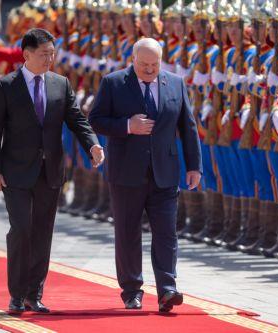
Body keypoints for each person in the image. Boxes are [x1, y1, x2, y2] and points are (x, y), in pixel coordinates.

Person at [0, 28, 104, 314]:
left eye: (52, 54)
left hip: (50, 171)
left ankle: (33, 293)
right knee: (21, 229)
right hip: (15, 172)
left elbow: (76, 119)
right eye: (43, 54)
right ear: (26, 54)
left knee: (42, 233)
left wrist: (93, 145)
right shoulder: (5, 86)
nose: (49, 59)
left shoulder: (60, 84)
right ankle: (16, 293)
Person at [89, 37, 202, 312]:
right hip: (126, 173)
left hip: (165, 172)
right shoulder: (114, 83)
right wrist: (127, 126)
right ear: (133, 60)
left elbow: (188, 126)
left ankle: (167, 288)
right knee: (128, 233)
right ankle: (131, 290)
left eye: (155, 64)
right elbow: (96, 119)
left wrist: (194, 166)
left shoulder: (175, 83)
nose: (150, 70)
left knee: (166, 233)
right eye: (144, 64)